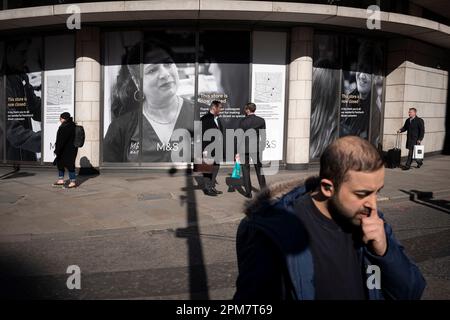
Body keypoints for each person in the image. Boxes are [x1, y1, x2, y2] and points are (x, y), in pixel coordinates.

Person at [234, 136, 425, 300]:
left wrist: (384, 251)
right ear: (327, 188)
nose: (373, 205)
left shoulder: (370, 220)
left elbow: (411, 291)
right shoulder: (276, 233)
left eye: (377, 192)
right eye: (362, 194)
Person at [104, 39, 195, 163]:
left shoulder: (203, 115)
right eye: (152, 70)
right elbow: (110, 177)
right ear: (137, 83)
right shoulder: (120, 128)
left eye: (167, 64)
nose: (164, 74)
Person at [4, 39, 42, 162]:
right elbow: (13, 132)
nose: (25, 58)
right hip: (9, 158)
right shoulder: (3, 83)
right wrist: (46, 139)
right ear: (9, 51)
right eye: (22, 53)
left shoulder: (21, 77)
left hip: (25, 156)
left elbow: (35, 108)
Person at [237, 102, 267, 198]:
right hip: (256, 148)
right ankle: (264, 191)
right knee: (259, 169)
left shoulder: (243, 121)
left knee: (245, 170)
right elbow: (263, 135)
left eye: (246, 109)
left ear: (248, 110)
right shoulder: (261, 121)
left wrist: (237, 151)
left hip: (244, 148)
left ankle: (248, 192)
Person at [200, 100, 223, 196]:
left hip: (217, 148)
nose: (221, 110)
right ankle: (207, 189)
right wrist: (204, 150)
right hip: (208, 148)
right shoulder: (205, 119)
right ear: (214, 107)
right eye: (220, 108)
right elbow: (201, 135)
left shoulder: (217, 119)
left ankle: (212, 186)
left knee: (216, 166)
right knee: (207, 169)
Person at [53, 112, 78, 188]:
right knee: (66, 164)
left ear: (63, 118)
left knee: (66, 165)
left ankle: (72, 182)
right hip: (72, 149)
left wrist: (57, 150)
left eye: (60, 118)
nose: (59, 120)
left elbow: (61, 141)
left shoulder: (64, 127)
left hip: (65, 150)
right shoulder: (73, 125)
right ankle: (63, 180)